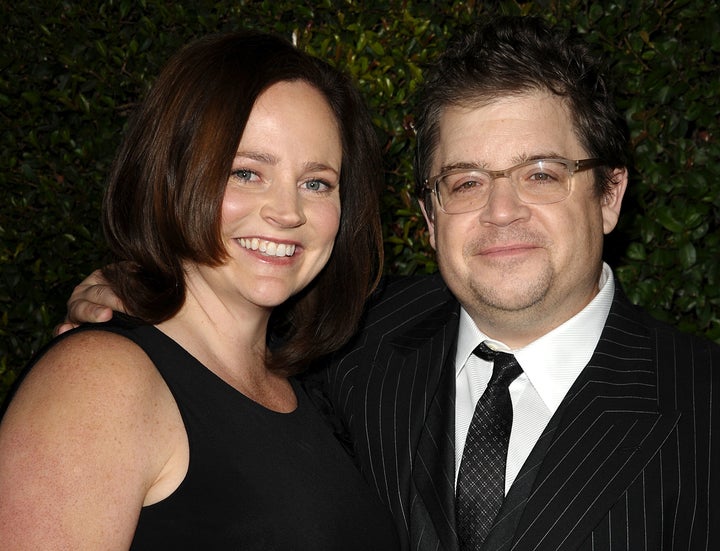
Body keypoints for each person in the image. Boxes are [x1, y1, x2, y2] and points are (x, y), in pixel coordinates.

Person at [51, 16, 720, 551]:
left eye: (542, 173)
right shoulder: (350, 342)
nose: (502, 211)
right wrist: (138, 279)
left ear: (610, 194)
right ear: (429, 218)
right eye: (465, 181)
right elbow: (211, 347)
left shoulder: (702, 405)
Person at [0, 31, 400, 549]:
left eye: (317, 183)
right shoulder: (101, 383)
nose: (288, 211)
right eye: (246, 172)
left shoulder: (316, 392)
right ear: (172, 178)